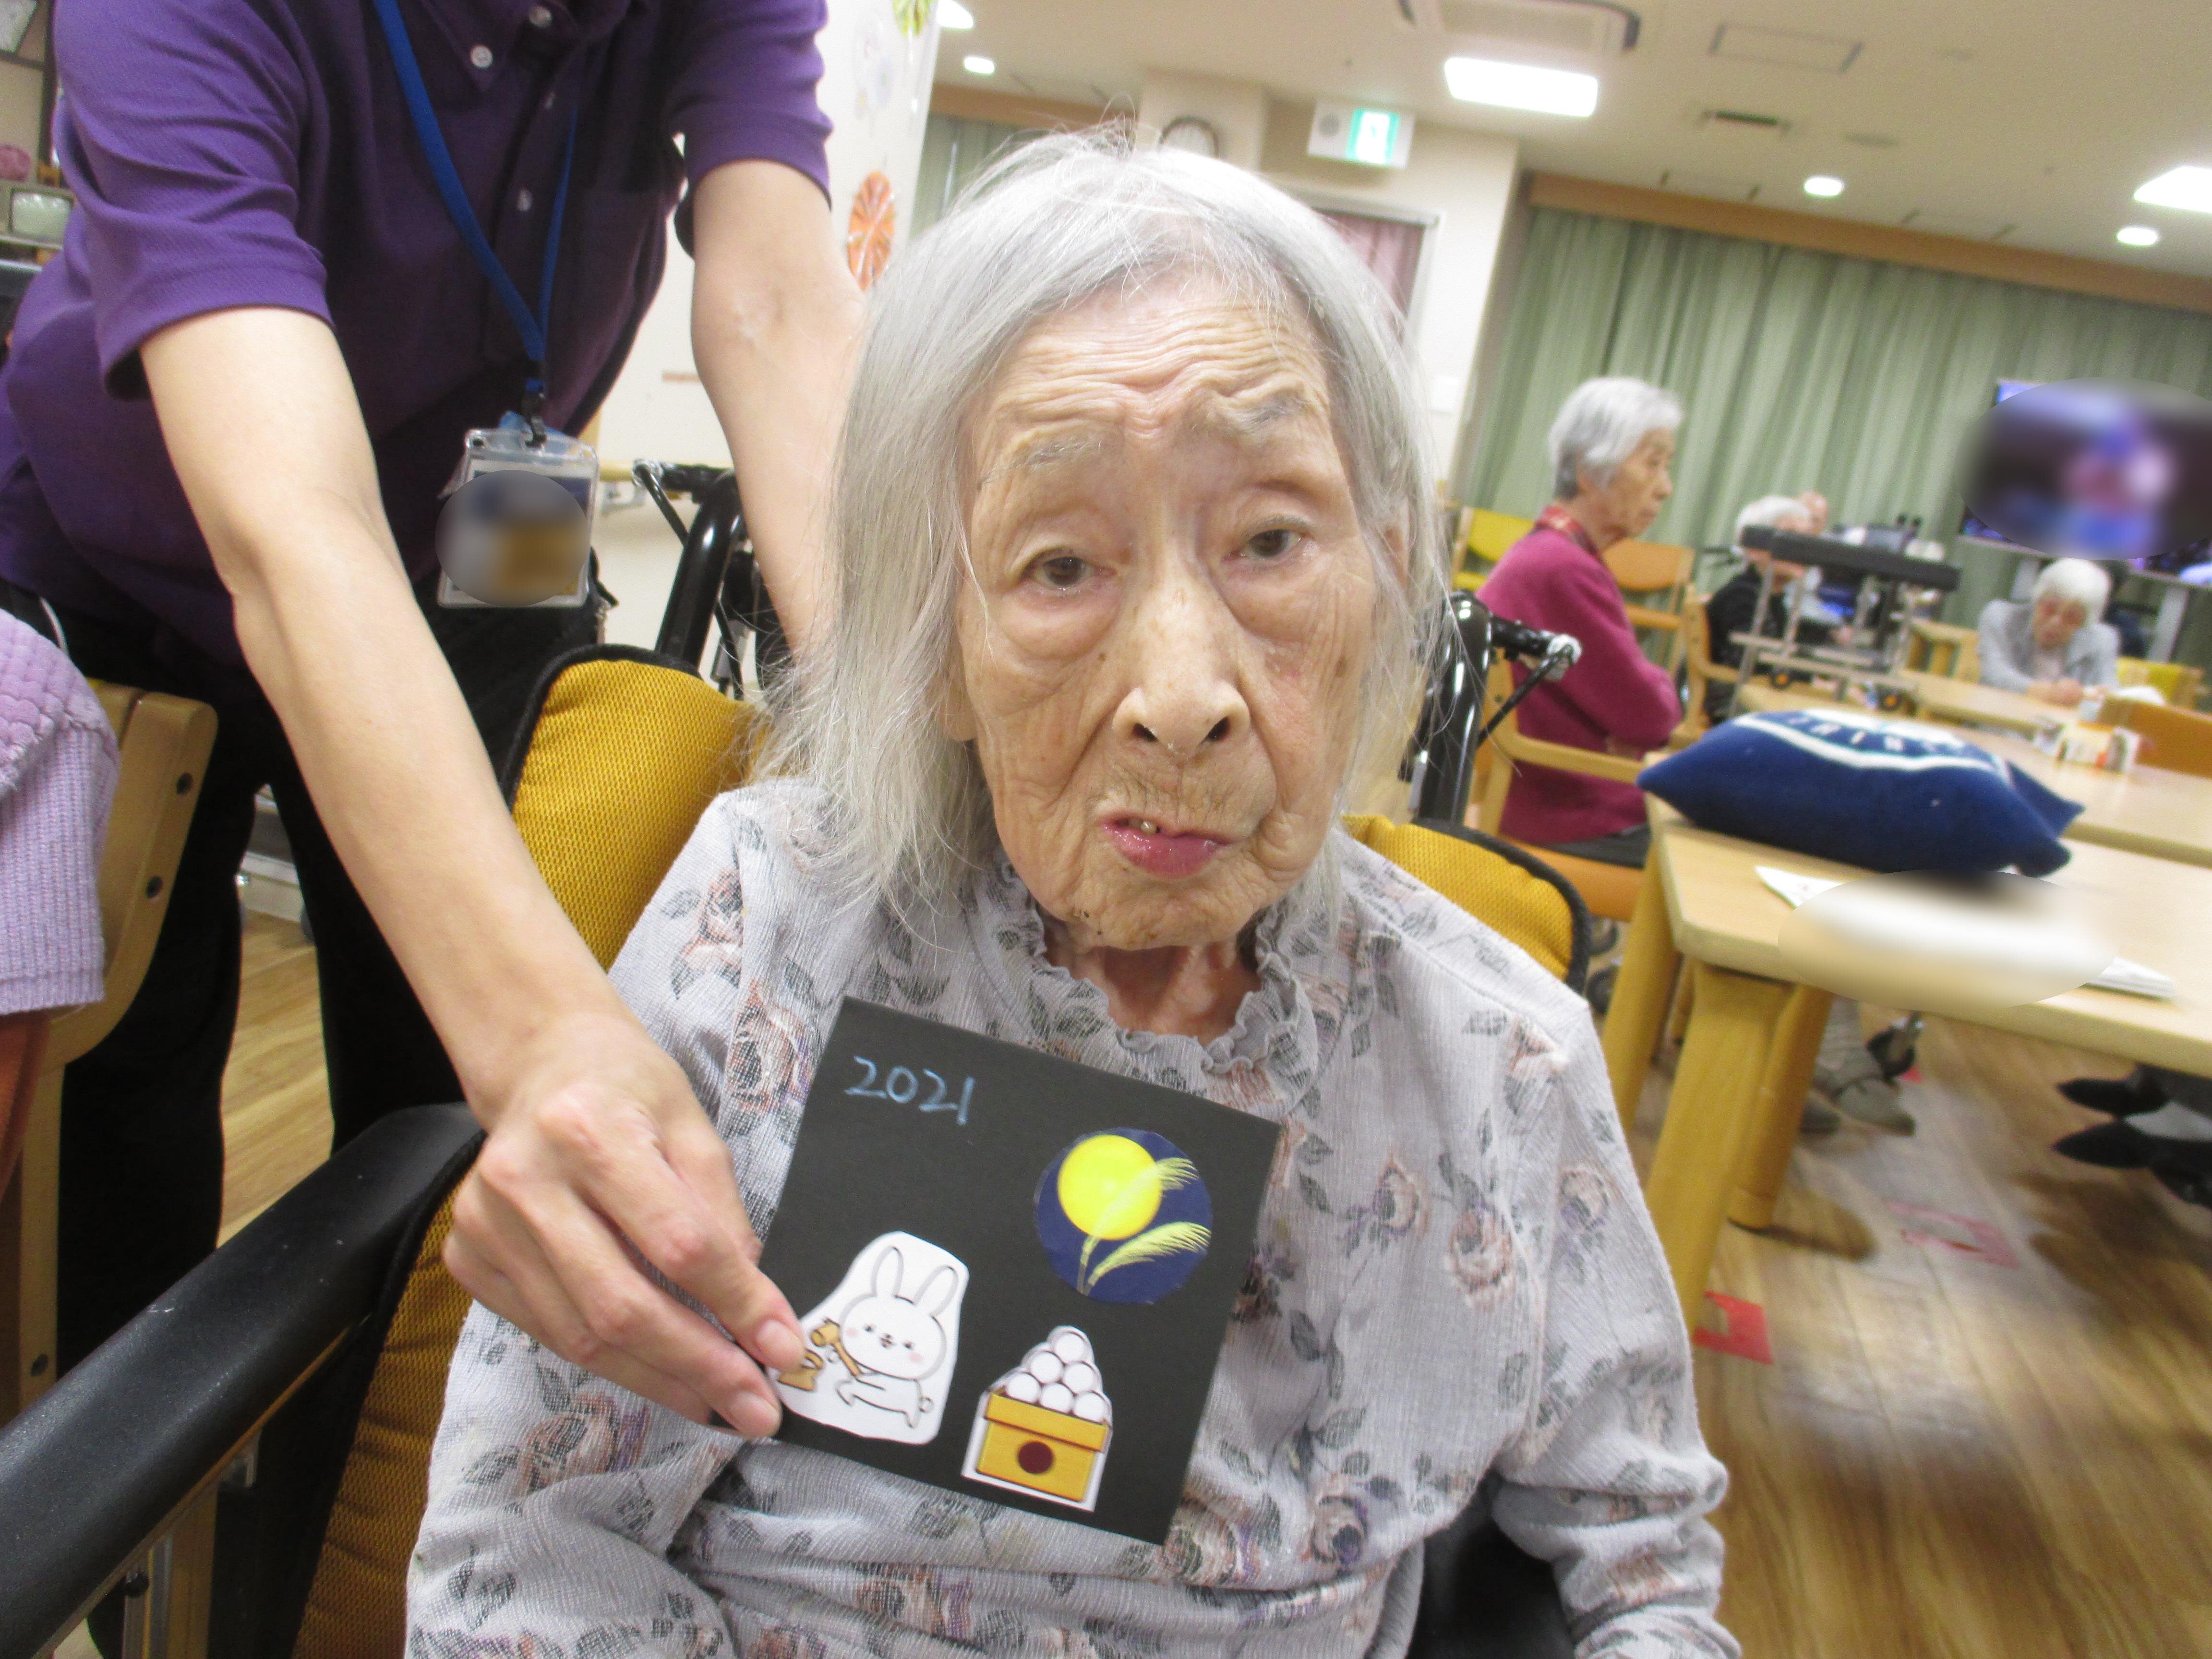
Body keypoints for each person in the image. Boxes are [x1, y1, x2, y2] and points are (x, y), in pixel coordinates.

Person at [410, 137, 1735, 1658]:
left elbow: (1641, 1569)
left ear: (1382, 584)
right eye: (1058, 567)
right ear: (940, 638)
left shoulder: (1502, 1055)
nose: (1181, 698)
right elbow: (535, 1550)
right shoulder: (770, 923)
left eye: (1271, 542)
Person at [0, 0, 857, 1419]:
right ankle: (137, 1504)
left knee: (437, 1095)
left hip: (478, 543)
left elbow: (777, 306)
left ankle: (351, 1481)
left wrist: (891, 748)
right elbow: (290, 520)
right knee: (130, 1089)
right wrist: (546, 1039)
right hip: (131, 555)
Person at [1478, 377, 1683, 869]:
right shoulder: (1564, 569)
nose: (1665, 488)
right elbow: (1655, 717)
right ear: (1590, 471)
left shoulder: (1549, 556)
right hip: (1577, 812)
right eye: (1652, 463)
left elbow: (1641, 710)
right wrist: (1651, 696)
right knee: (1722, 859)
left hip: (1552, 801)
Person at [1700, 494, 1837, 727]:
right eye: (1790, 538)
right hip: (1733, 714)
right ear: (1754, 548)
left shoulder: (1773, 598)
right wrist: (1814, 684)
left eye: (1806, 540)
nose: (1802, 551)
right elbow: (1755, 666)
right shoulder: (1741, 596)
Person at [1976, 558, 2121, 706]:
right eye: (2050, 608)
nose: (2056, 622)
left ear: (2084, 622)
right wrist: (2050, 693)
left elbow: (2110, 694)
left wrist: (2095, 697)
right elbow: (1994, 675)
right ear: (2038, 599)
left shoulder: (2102, 639)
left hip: (2065, 720)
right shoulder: (2001, 617)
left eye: (2071, 617)